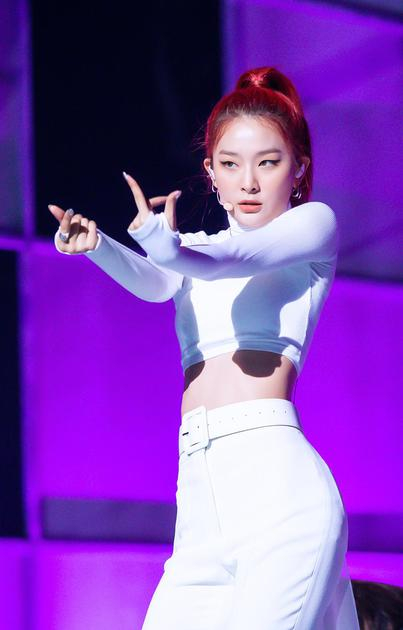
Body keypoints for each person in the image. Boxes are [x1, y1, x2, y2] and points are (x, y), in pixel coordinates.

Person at [49, 66, 361, 629]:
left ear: (298, 168)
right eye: (231, 164)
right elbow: (156, 282)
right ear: (210, 173)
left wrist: (163, 245)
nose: (249, 182)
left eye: (268, 162)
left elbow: (229, 260)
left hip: (279, 495)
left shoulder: (314, 227)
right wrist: (99, 246)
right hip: (198, 502)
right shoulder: (193, 248)